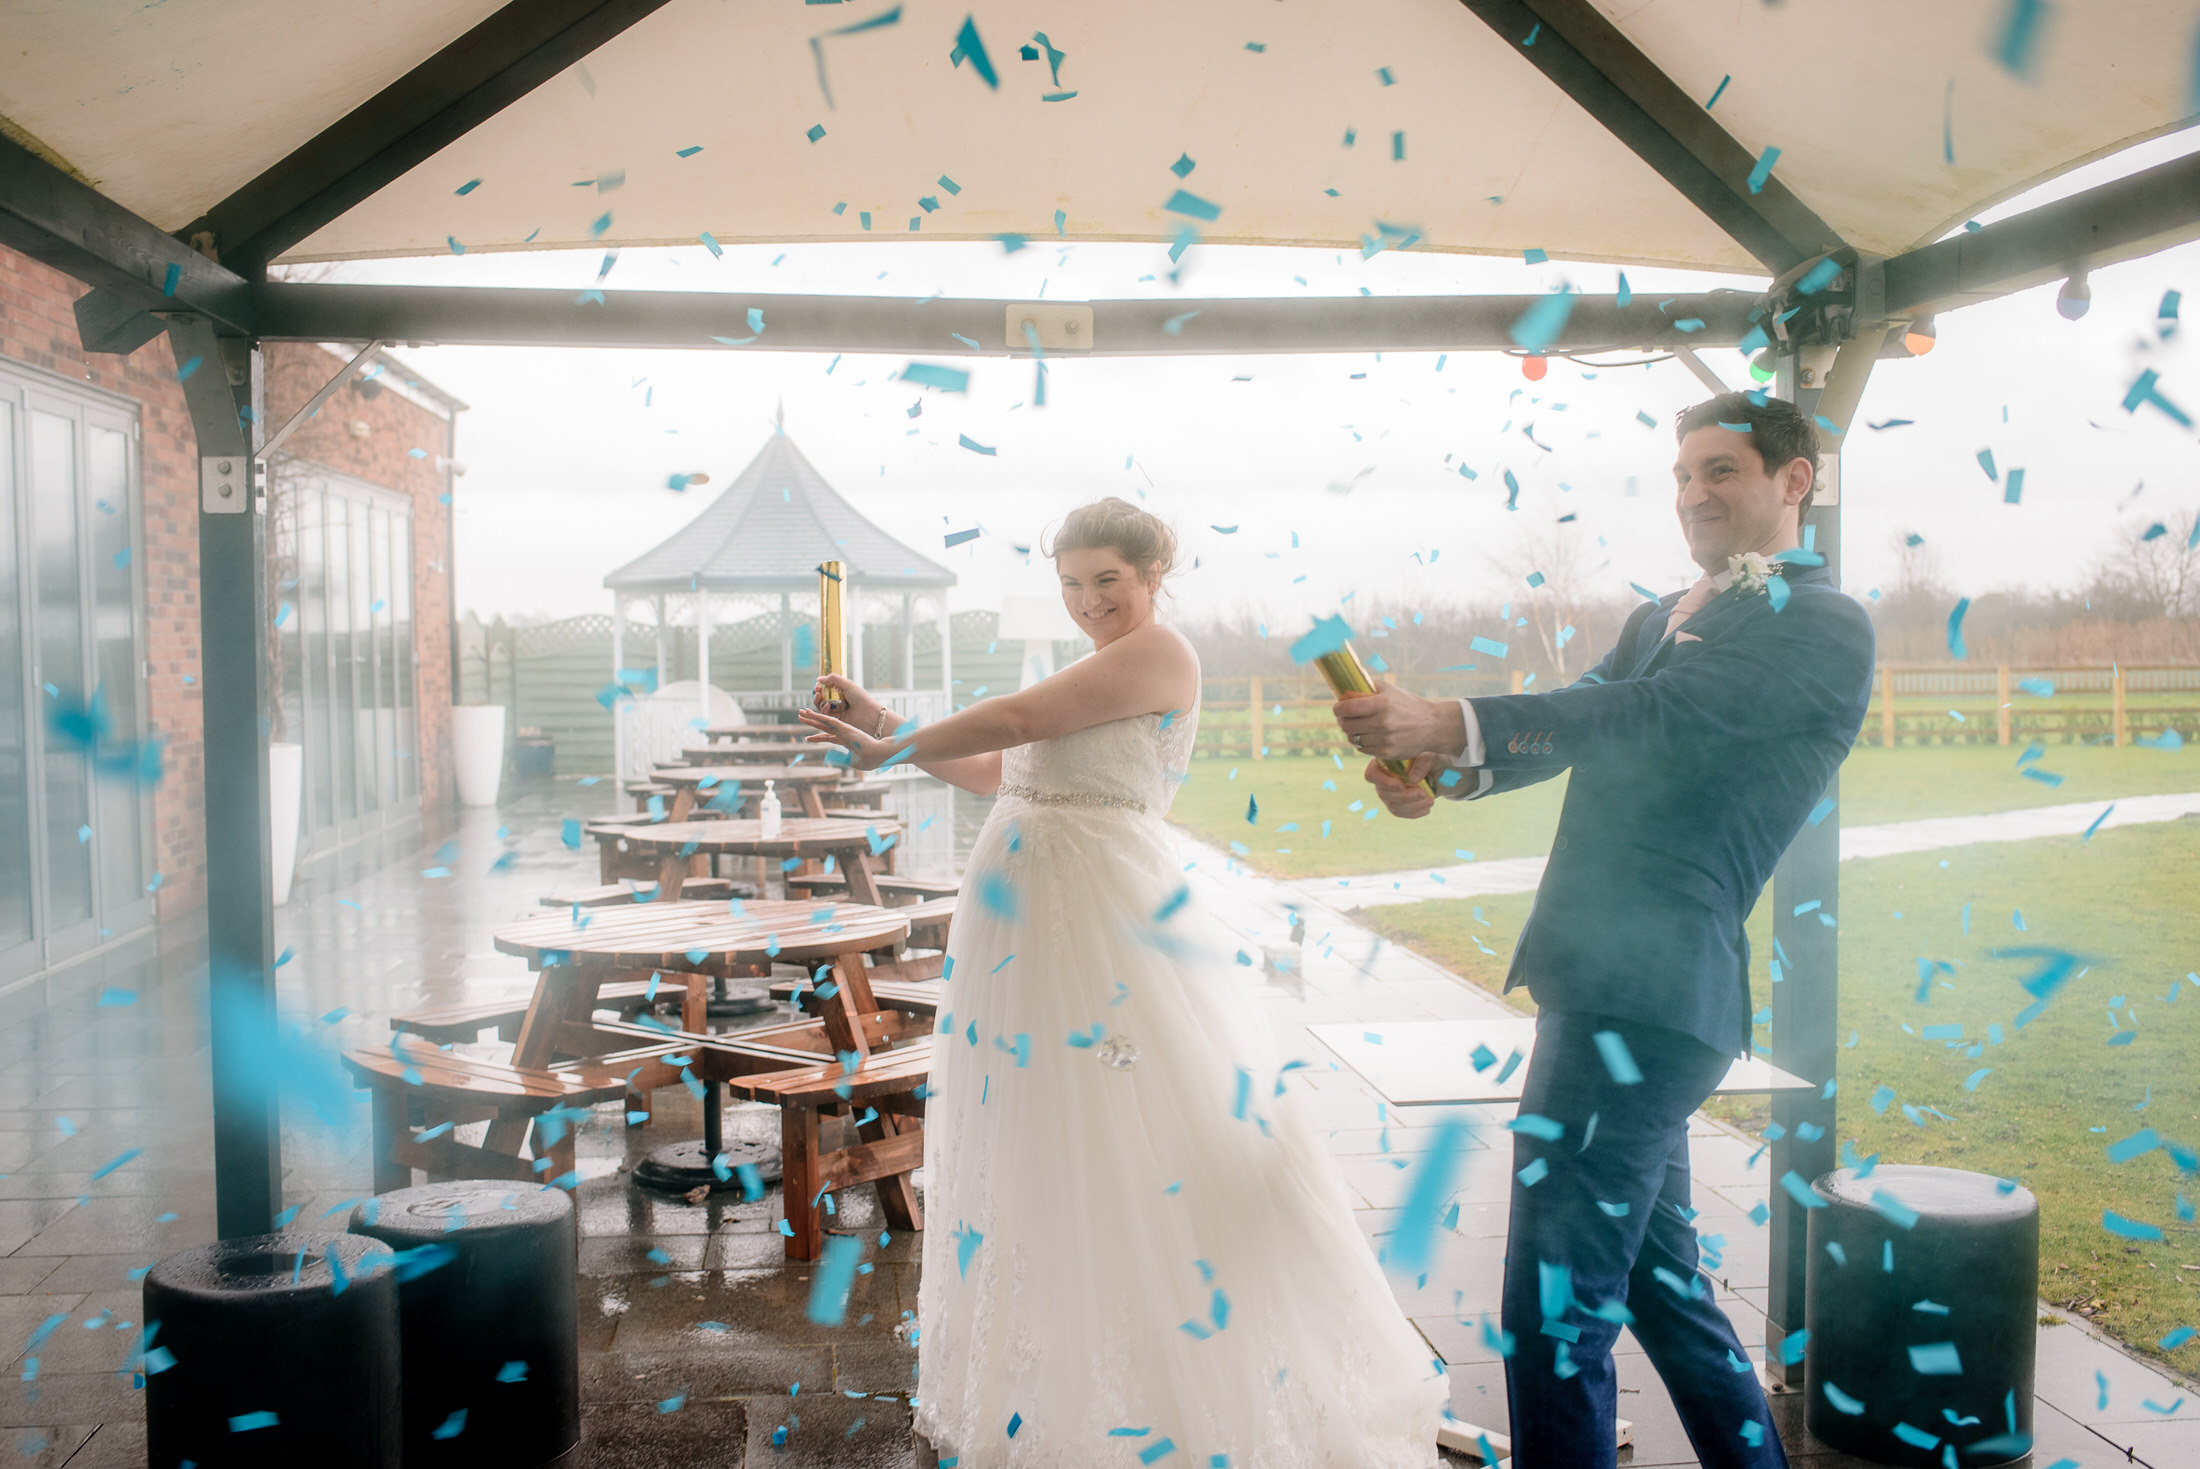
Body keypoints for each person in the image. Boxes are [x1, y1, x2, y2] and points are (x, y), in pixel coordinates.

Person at [801, 497, 1445, 1468]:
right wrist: (885, 719)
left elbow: (1016, 718)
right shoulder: (1084, 667)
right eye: (1070, 583)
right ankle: (1063, 1375)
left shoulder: (1162, 655)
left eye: (1106, 579)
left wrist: (889, 746)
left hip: (1103, 917)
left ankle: (1191, 1378)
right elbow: (998, 768)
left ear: (1154, 576)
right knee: (1046, 1135)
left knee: (1145, 1132)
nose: (1088, 600)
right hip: (1023, 918)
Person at [1331, 393, 1875, 1469]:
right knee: (1659, 1286)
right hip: (1611, 981)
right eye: (1680, 476)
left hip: (1653, 990)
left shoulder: (1820, 623)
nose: (1692, 494)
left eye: (1719, 470)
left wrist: (1445, 718)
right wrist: (1441, 773)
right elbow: (1575, 711)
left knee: (1551, 1302)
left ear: (1792, 482)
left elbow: (1647, 718)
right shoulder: (1659, 614)